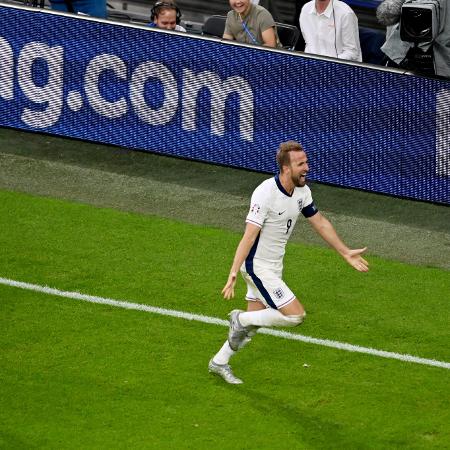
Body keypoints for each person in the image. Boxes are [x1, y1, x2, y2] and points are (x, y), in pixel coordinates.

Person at [208, 141, 369, 384]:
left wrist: (344, 252)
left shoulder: (302, 192)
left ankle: (219, 362)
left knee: (253, 324)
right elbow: (249, 235)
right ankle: (238, 319)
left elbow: (320, 222)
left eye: (306, 162)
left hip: (273, 266)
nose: (307, 167)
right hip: (257, 267)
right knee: (295, 316)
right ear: (285, 168)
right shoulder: (265, 193)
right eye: (301, 164)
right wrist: (233, 272)